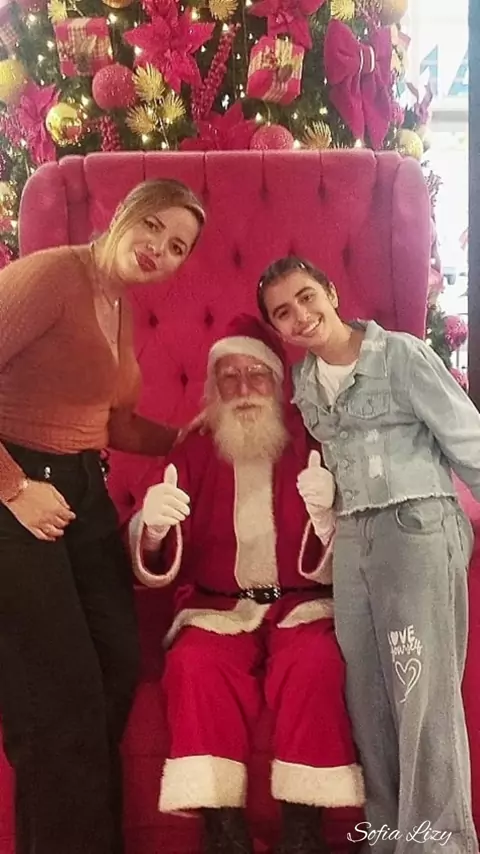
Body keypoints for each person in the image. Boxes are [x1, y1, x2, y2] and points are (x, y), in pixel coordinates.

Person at [0, 178, 205, 854]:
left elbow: (110, 422)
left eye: (177, 247)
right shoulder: (53, 276)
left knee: (115, 666)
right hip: (18, 492)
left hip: (83, 492)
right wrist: (13, 487)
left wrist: (185, 438)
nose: (159, 249)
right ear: (123, 213)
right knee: (56, 702)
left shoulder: (115, 305)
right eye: (154, 227)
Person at [256, 254, 480, 854]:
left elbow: (469, 441)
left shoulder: (400, 356)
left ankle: (439, 846)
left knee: (422, 696)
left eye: (306, 296)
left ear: (330, 292)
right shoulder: (305, 385)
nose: (300, 315)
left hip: (417, 529)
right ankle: (387, 839)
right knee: (370, 699)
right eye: (283, 312)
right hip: (354, 542)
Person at [128, 315, 364, 854]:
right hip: (216, 609)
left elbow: (359, 538)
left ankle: (303, 831)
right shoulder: (195, 448)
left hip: (302, 606)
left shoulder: (313, 440)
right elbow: (155, 539)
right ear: (215, 387)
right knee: (193, 664)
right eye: (229, 377)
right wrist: (154, 528)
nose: (243, 388)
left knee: (318, 663)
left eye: (256, 374)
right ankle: (224, 832)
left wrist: (330, 519)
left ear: (277, 382)